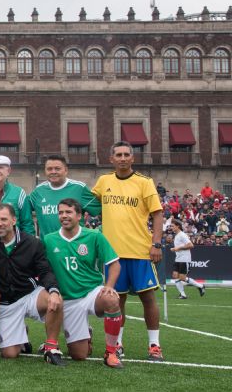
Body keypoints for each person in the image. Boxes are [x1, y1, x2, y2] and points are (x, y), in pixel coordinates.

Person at [92, 141, 165, 361]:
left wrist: (157, 244)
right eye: (118, 155)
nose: (123, 158)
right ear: (111, 159)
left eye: (126, 155)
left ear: (132, 158)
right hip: (113, 254)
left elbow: (158, 214)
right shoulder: (104, 181)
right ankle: (117, 344)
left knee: (148, 298)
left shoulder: (144, 182)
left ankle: (154, 345)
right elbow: (90, 202)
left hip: (140, 251)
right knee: (116, 300)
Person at [0, 203, 66, 366]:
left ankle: (51, 348)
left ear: (13, 220)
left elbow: (45, 270)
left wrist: (53, 290)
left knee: (55, 300)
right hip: (5, 302)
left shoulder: (32, 243)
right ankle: (22, 334)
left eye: (3, 219)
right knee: (10, 354)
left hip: (28, 295)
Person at [43, 199, 124, 368]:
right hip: (68, 300)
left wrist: (109, 287)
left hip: (91, 292)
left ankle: (111, 352)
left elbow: (114, 264)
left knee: (111, 300)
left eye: (68, 212)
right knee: (79, 355)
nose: (64, 216)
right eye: (60, 212)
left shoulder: (94, 236)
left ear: (79, 215)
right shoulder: (49, 240)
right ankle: (86, 336)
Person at [29, 154, 101, 236]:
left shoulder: (79, 188)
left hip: (75, 245)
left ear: (66, 170)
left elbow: (102, 211)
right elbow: (22, 212)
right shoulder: (38, 191)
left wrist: (97, 234)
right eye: (49, 169)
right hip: (47, 246)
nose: (53, 172)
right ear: (45, 171)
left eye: (57, 169)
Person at [170, 219, 206, 299]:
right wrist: (176, 249)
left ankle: (200, 286)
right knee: (175, 275)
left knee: (182, 278)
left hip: (184, 258)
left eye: (172, 226)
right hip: (178, 258)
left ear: (178, 226)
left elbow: (191, 245)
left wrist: (178, 248)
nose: (171, 227)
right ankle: (183, 295)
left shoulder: (182, 235)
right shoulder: (177, 235)